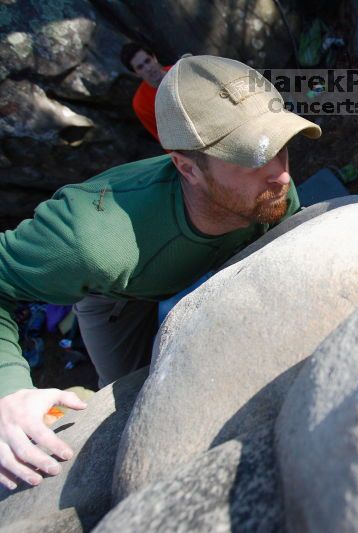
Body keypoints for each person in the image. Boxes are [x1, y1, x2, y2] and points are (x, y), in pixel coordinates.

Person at [0, 55, 321, 490]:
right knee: (125, 398)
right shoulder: (88, 240)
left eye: (281, 144)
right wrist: (8, 391)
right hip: (118, 292)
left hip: (205, 259)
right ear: (186, 167)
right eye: (252, 157)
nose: (282, 174)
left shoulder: (268, 188)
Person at [120, 42, 172, 142]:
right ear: (135, 74)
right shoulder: (140, 103)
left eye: (148, 61)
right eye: (140, 67)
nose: (148, 68)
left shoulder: (180, 70)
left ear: (154, 57)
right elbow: (163, 138)